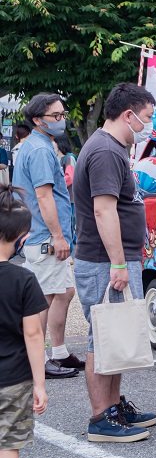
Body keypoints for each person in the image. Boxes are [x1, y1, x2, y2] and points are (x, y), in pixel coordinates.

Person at [72, 83, 156, 443]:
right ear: (129, 115)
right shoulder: (107, 150)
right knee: (103, 335)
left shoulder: (110, 147)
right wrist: (119, 263)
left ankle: (113, 406)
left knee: (117, 331)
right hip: (102, 261)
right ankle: (100, 417)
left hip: (109, 260)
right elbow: (103, 208)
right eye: (149, 116)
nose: (150, 123)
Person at [10, 95, 80, 379]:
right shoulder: (38, 149)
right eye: (56, 116)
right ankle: (34, 360)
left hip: (42, 234)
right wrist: (58, 236)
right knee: (43, 299)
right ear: (38, 119)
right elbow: (43, 195)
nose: (61, 120)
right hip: (45, 237)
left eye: (62, 115)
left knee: (64, 291)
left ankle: (59, 352)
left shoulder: (38, 145)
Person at [0, 184, 49, 458]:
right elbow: (33, 335)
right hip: (13, 378)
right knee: (7, 447)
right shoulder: (24, 279)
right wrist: (40, 383)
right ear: (19, 237)